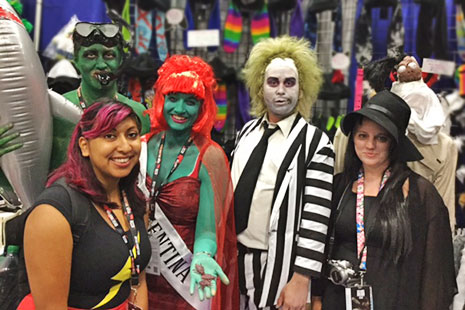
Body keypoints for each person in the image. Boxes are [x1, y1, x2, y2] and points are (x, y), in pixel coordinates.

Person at [317, 90, 456, 310]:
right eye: (362, 136)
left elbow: (436, 270)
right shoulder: (339, 186)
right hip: (338, 299)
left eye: (380, 138)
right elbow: (321, 246)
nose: (370, 145)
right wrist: (316, 299)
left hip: (395, 300)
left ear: (394, 143)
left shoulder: (420, 194)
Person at [231, 35, 335, 310]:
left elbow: (318, 217)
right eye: (273, 82)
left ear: (301, 90)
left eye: (289, 83)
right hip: (235, 260)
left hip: (281, 267)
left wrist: (302, 280)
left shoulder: (315, 142)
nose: (281, 91)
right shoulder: (247, 133)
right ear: (260, 87)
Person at [20, 100, 151, 309]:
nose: (125, 146)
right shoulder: (54, 212)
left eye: (132, 135)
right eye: (110, 136)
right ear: (84, 146)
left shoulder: (133, 199)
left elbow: (138, 279)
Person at [137, 55, 239, 310]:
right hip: (138, 280)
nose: (180, 109)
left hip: (185, 283)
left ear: (202, 107)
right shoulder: (140, 145)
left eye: (190, 101)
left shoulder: (211, 155)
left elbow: (208, 229)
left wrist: (204, 255)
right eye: (173, 99)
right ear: (161, 99)